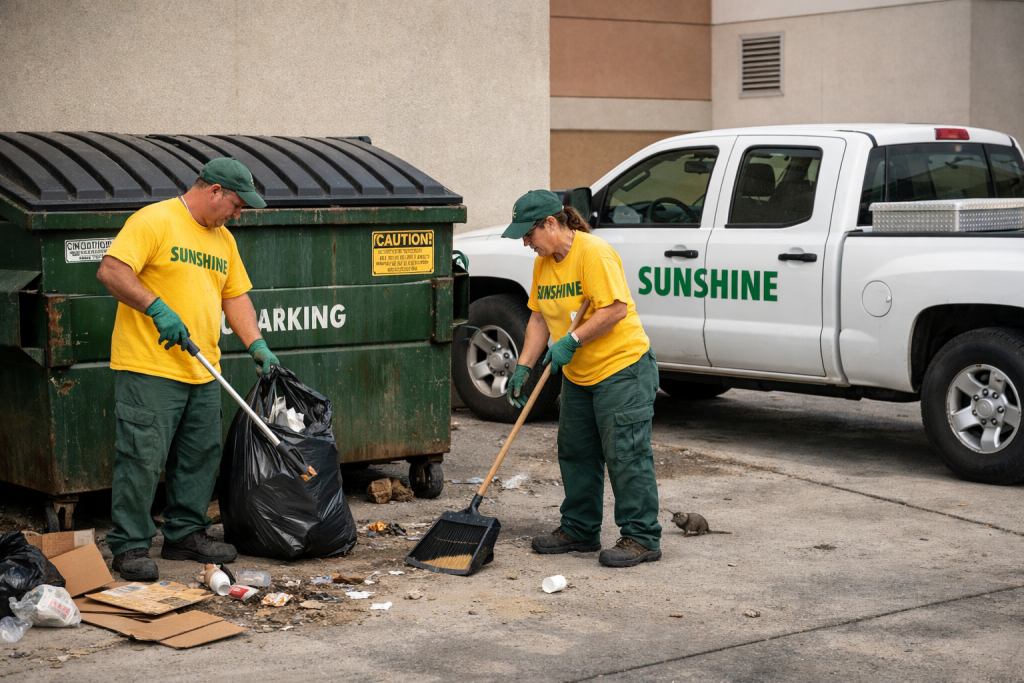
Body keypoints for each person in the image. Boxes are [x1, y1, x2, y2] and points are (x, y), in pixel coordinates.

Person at [96, 157, 280, 581]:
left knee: (199, 457)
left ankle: (185, 534)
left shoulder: (223, 241)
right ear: (213, 190)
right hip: (150, 366)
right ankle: (129, 545)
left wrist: (257, 344)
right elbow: (111, 270)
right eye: (236, 204)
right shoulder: (155, 220)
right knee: (142, 457)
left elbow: (235, 297)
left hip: (202, 368)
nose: (238, 214)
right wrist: (154, 306)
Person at [502, 189, 662, 568]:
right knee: (576, 452)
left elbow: (616, 309)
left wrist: (571, 340)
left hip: (622, 368)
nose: (526, 243)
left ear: (551, 224)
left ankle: (641, 537)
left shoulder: (594, 253)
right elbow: (539, 318)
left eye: (529, 234)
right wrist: (524, 365)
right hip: (579, 374)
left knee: (625, 453)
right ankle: (579, 528)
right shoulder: (544, 264)